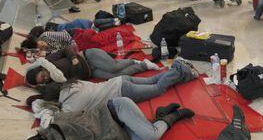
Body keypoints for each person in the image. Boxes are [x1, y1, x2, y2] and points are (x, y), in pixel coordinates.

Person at [18, 98, 195, 140]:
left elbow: (89, 118)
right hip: (122, 132)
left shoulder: (60, 124)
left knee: (149, 135)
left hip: (116, 111)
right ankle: (161, 117)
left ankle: (173, 117)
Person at [28, 58, 198, 119]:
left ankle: (179, 68)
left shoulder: (69, 107)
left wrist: (41, 106)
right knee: (153, 79)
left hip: (123, 92)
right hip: (118, 81)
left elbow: (52, 118)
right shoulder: (72, 84)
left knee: (158, 88)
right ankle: (182, 72)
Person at [25, 46, 162, 88]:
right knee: (115, 77)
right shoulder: (54, 82)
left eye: (42, 76)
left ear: (41, 69)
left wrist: (73, 58)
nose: (45, 78)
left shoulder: (49, 61)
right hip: (91, 72)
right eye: (42, 80)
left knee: (113, 67)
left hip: (88, 56)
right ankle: (142, 65)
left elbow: (66, 49)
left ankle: (133, 61)